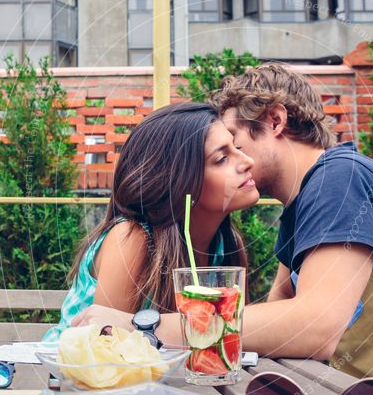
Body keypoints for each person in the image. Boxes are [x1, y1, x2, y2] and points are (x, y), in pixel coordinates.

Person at [74, 64, 373, 395]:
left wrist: (145, 326)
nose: (238, 158)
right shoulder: (305, 209)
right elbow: (276, 324)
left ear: (275, 120)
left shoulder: (341, 181)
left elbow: (313, 327)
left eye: (237, 141)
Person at [45, 101, 258, 340]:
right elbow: (105, 349)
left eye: (236, 147)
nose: (247, 161)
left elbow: (233, 338)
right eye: (221, 158)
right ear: (179, 182)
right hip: (61, 373)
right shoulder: (132, 238)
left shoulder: (227, 246)